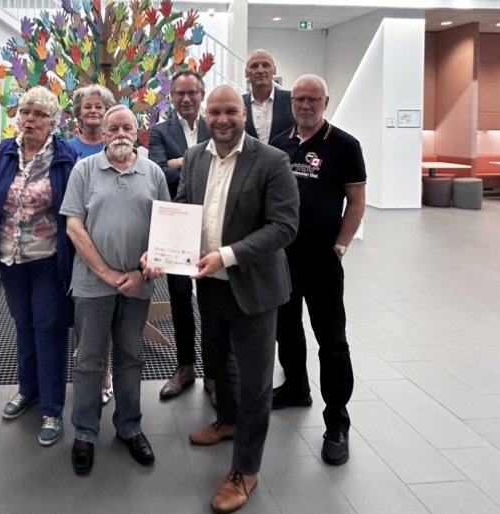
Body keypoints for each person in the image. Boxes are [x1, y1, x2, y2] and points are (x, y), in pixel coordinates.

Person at [177, 85, 299, 513]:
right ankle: (226, 422)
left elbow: (284, 226)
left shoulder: (271, 161)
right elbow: (182, 208)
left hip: (254, 288)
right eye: (215, 112)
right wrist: (165, 248)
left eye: (231, 111)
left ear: (244, 113)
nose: (222, 119)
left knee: (254, 381)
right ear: (205, 116)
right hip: (210, 286)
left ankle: (245, 469)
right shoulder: (194, 157)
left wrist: (227, 255)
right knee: (217, 361)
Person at [63, 105, 169, 475]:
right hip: (93, 283)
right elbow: (74, 227)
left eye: (127, 126)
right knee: (89, 359)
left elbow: (166, 228)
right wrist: (107, 273)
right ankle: (86, 433)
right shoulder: (84, 169)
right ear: (103, 133)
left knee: (130, 356)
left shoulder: (153, 172)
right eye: (113, 128)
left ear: (138, 131)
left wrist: (142, 272)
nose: (121, 132)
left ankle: (129, 427)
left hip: (138, 283)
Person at [269, 74, 366, 466]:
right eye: (299, 99)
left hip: (324, 262)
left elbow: (356, 202)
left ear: (326, 102)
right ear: (292, 103)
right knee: (286, 329)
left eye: (313, 99)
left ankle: (337, 422)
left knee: (332, 340)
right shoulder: (279, 146)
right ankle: (295, 387)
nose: (305, 105)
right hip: (282, 260)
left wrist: (340, 246)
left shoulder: (344, 145)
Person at [0, 85, 76, 447]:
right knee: (23, 325)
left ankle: (52, 407)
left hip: (48, 256)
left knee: (49, 328)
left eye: (39, 114)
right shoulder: (6, 151)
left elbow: (71, 207)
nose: (30, 119)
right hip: (9, 256)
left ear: (52, 122)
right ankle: (27, 390)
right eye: (26, 112)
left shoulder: (64, 157)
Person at [148, 70, 212, 403]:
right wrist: (195, 160)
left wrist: (178, 162)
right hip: (176, 221)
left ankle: (213, 374)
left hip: (214, 223)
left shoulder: (215, 125)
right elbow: (157, 170)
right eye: (179, 94)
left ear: (202, 94)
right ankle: (185, 367)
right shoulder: (160, 130)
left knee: (214, 299)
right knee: (179, 297)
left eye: (192, 92)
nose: (186, 99)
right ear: (171, 97)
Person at [68, 84, 118, 406]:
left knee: (110, 314)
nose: (93, 111)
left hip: (112, 244)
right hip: (76, 243)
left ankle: (107, 371)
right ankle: (85, 365)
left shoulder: (120, 145)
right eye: (87, 106)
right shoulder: (67, 149)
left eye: (100, 106)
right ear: (78, 111)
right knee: (82, 314)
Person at [243, 49, 295, 144]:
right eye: (254, 66)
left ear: (274, 70)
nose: (260, 70)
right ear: (246, 72)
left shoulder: (292, 100)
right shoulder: (239, 104)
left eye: (266, 65)